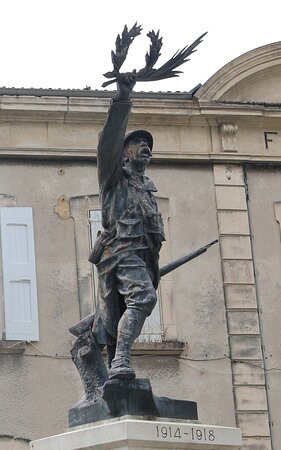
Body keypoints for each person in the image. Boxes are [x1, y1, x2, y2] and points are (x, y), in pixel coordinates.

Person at [72, 73, 165, 380]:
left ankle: (111, 364)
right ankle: (122, 361)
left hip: (144, 258)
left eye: (147, 144)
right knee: (144, 298)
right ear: (124, 153)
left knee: (115, 320)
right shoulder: (113, 179)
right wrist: (123, 97)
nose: (144, 146)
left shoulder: (147, 188)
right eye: (138, 142)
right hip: (120, 254)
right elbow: (108, 140)